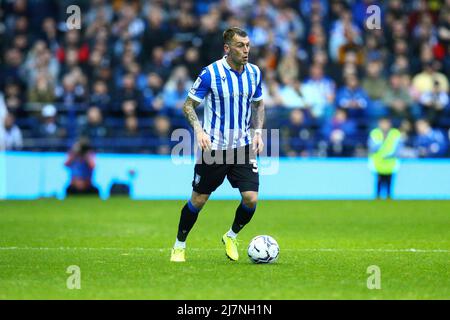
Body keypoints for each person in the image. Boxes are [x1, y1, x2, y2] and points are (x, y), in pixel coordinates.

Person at [170, 27, 265, 262]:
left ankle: (231, 235)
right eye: (240, 46)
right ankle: (179, 245)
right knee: (198, 200)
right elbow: (188, 105)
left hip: (242, 147)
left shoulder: (254, 73)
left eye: (248, 45)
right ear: (227, 48)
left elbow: (259, 104)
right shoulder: (210, 73)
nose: (246, 50)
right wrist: (199, 131)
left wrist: (258, 133)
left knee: (251, 198)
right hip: (214, 149)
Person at [368, 118, 402, 199]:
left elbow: (398, 147)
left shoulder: (395, 133)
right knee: (379, 180)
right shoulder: (375, 133)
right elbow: (372, 147)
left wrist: (390, 155)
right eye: (382, 123)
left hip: (391, 162)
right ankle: (377, 196)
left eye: (386, 123)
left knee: (389, 180)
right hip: (378, 162)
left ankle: (389, 196)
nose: (384, 125)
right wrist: (381, 141)